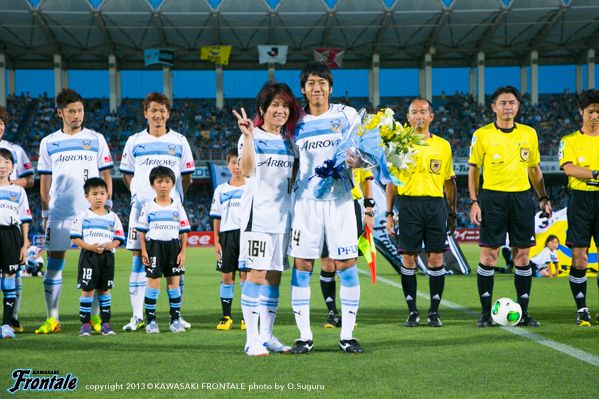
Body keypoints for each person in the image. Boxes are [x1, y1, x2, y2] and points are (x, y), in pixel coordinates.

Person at [287, 61, 363, 354]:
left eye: (321, 82)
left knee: (346, 266)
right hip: (305, 204)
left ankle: (347, 336)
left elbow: (365, 154)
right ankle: (304, 337)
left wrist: (360, 161)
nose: (316, 88)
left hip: (341, 200)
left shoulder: (347, 115)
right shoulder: (295, 122)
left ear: (330, 88)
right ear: (303, 90)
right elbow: (290, 164)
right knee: (302, 266)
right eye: (310, 83)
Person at [468, 85, 552, 328]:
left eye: (512, 102)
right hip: (492, 199)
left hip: (522, 199)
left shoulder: (529, 134)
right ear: (494, 107)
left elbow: (534, 169)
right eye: (503, 103)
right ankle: (485, 313)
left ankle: (523, 312)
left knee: (522, 256)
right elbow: (473, 170)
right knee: (489, 256)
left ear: (517, 106)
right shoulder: (482, 134)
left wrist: (543, 196)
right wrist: (474, 201)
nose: (508, 106)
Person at [37, 88, 114, 334]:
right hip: (59, 212)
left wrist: (108, 206)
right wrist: (45, 213)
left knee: (94, 263)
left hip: (91, 214)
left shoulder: (96, 138)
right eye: (71, 111)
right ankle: (53, 318)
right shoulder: (48, 142)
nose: (77, 115)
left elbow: (106, 175)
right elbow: (45, 181)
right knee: (54, 263)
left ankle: (93, 320)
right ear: (60, 113)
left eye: (80, 110)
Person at [233, 80, 300, 356]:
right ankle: (252, 339)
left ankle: (267, 335)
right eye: (275, 105)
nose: (280, 110)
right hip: (257, 217)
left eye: (285, 106)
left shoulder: (290, 141)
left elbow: (294, 179)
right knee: (256, 275)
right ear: (263, 107)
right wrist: (248, 137)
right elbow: (246, 171)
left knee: (274, 277)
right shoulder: (251, 136)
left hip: (283, 219)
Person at [120, 92, 195, 331]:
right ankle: (137, 316)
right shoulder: (134, 141)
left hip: (170, 212)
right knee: (137, 261)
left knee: (176, 263)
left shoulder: (180, 141)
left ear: (168, 114)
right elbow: (127, 175)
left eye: (162, 110)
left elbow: (187, 177)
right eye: (153, 110)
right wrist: (140, 196)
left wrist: (173, 201)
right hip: (141, 210)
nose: (158, 115)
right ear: (145, 113)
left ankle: (177, 315)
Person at [385, 97, 457, 327]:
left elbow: (449, 181)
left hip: (436, 206)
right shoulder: (397, 145)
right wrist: (389, 214)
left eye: (423, 112)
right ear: (407, 117)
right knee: (408, 259)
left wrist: (452, 212)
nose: (419, 116)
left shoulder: (443, 146)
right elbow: (391, 182)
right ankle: (412, 311)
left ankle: (434, 312)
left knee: (436, 259)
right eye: (414, 112)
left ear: (431, 117)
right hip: (408, 206)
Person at [558, 88, 599, 325]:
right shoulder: (570, 140)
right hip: (580, 201)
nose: (595, 116)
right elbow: (569, 168)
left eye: (598, 112)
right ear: (581, 112)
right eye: (591, 111)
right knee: (580, 259)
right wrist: (594, 173)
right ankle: (582, 309)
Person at [137, 166, 190, 334]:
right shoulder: (148, 206)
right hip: (154, 247)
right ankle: (151, 322)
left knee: (173, 285)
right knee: (153, 284)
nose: (163, 185)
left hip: (173, 247)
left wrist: (182, 252)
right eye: (159, 182)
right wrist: (144, 251)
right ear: (153, 185)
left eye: (167, 181)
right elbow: (142, 231)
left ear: (173, 184)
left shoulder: (177, 206)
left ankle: (174, 320)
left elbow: (183, 232)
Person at [320, 168, 375, 328]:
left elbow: (366, 179)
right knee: (328, 262)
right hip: (325, 205)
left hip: (351, 206)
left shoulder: (356, 147)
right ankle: (332, 313)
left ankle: (348, 314)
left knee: (349, 262)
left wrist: (369, 211)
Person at [70, 178, 125, 336]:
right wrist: (90, 247)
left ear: (107, 195)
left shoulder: (113, 217)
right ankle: (85, 324)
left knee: (104, 290)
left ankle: (105, 323)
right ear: (87, 196)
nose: (99, 197)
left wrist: (111, 245)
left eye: (102, 193)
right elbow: (74, 237)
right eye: (94, 194)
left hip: (107, 258)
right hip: (89, 257)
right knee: (87, 290)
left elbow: (119, 237)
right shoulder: (83, 216)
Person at [0, 105, 35, 334]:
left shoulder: (14, 149)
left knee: (11, 275)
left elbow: (30, 181)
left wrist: (10, 184)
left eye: (1, 123)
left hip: (10, 232)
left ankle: (10, 320)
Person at [210, 148, 247, 330]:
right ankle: (226, 316)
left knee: (246, 276)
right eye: (233, 163)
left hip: (247, 234)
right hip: (227, 236)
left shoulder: (252, 187)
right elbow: (216, 217)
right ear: (228, 165)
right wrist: (216, 241)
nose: (237, 167)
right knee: (227, 276)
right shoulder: (221, 190)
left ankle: (246, 317)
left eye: (240, 162)